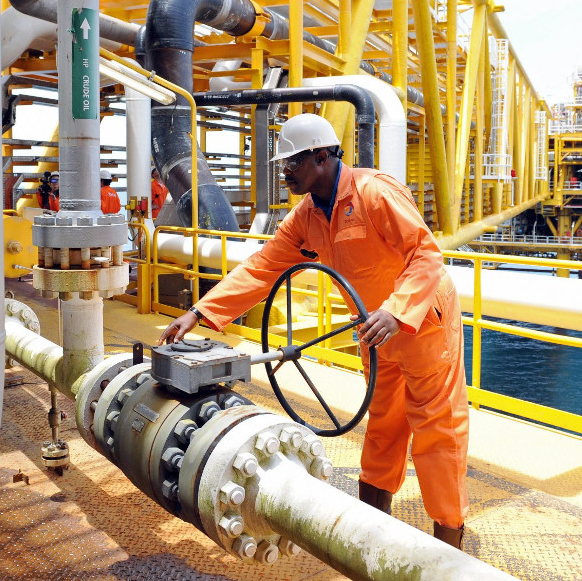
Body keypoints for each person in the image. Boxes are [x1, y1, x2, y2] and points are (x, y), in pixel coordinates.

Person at [159, 112, 469, 549]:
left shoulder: (374, 192)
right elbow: (263, 267)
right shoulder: (307, 215)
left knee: (437, 434)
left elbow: (426, 255)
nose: (284, 171)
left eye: (292, 162)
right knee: (383, 427)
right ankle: (371, 535)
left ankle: (451, 548)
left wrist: (396, 311)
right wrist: (198, 312)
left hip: (423, 326)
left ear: (321, 157)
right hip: (377, 333)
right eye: (283, 164)